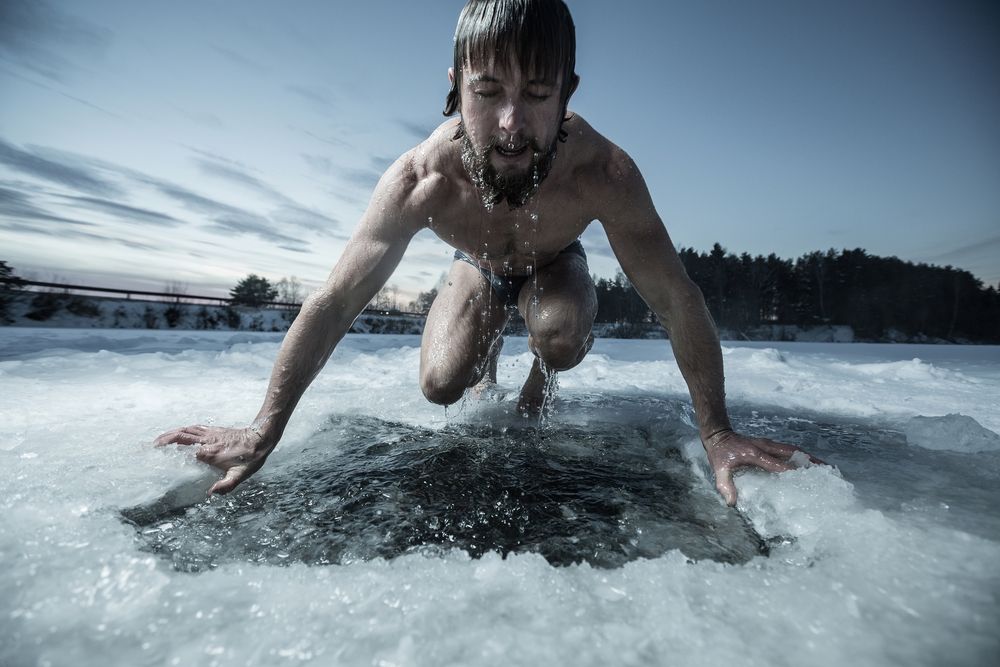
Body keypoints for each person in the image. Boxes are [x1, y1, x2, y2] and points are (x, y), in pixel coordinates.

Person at [155, 0, 822, 506]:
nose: (511, 126)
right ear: (456, 85)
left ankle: (541, 366)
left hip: (555, 267)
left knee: (557, 336)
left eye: (536, 95)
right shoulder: (423, 179)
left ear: (567, 93)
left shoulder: (603, 173)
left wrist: (717, 431)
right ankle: (488, 330)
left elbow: (677, 298)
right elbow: (335, 301)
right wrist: (262, 429)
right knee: (441, 384)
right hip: (475, 266)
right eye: (488, 93)